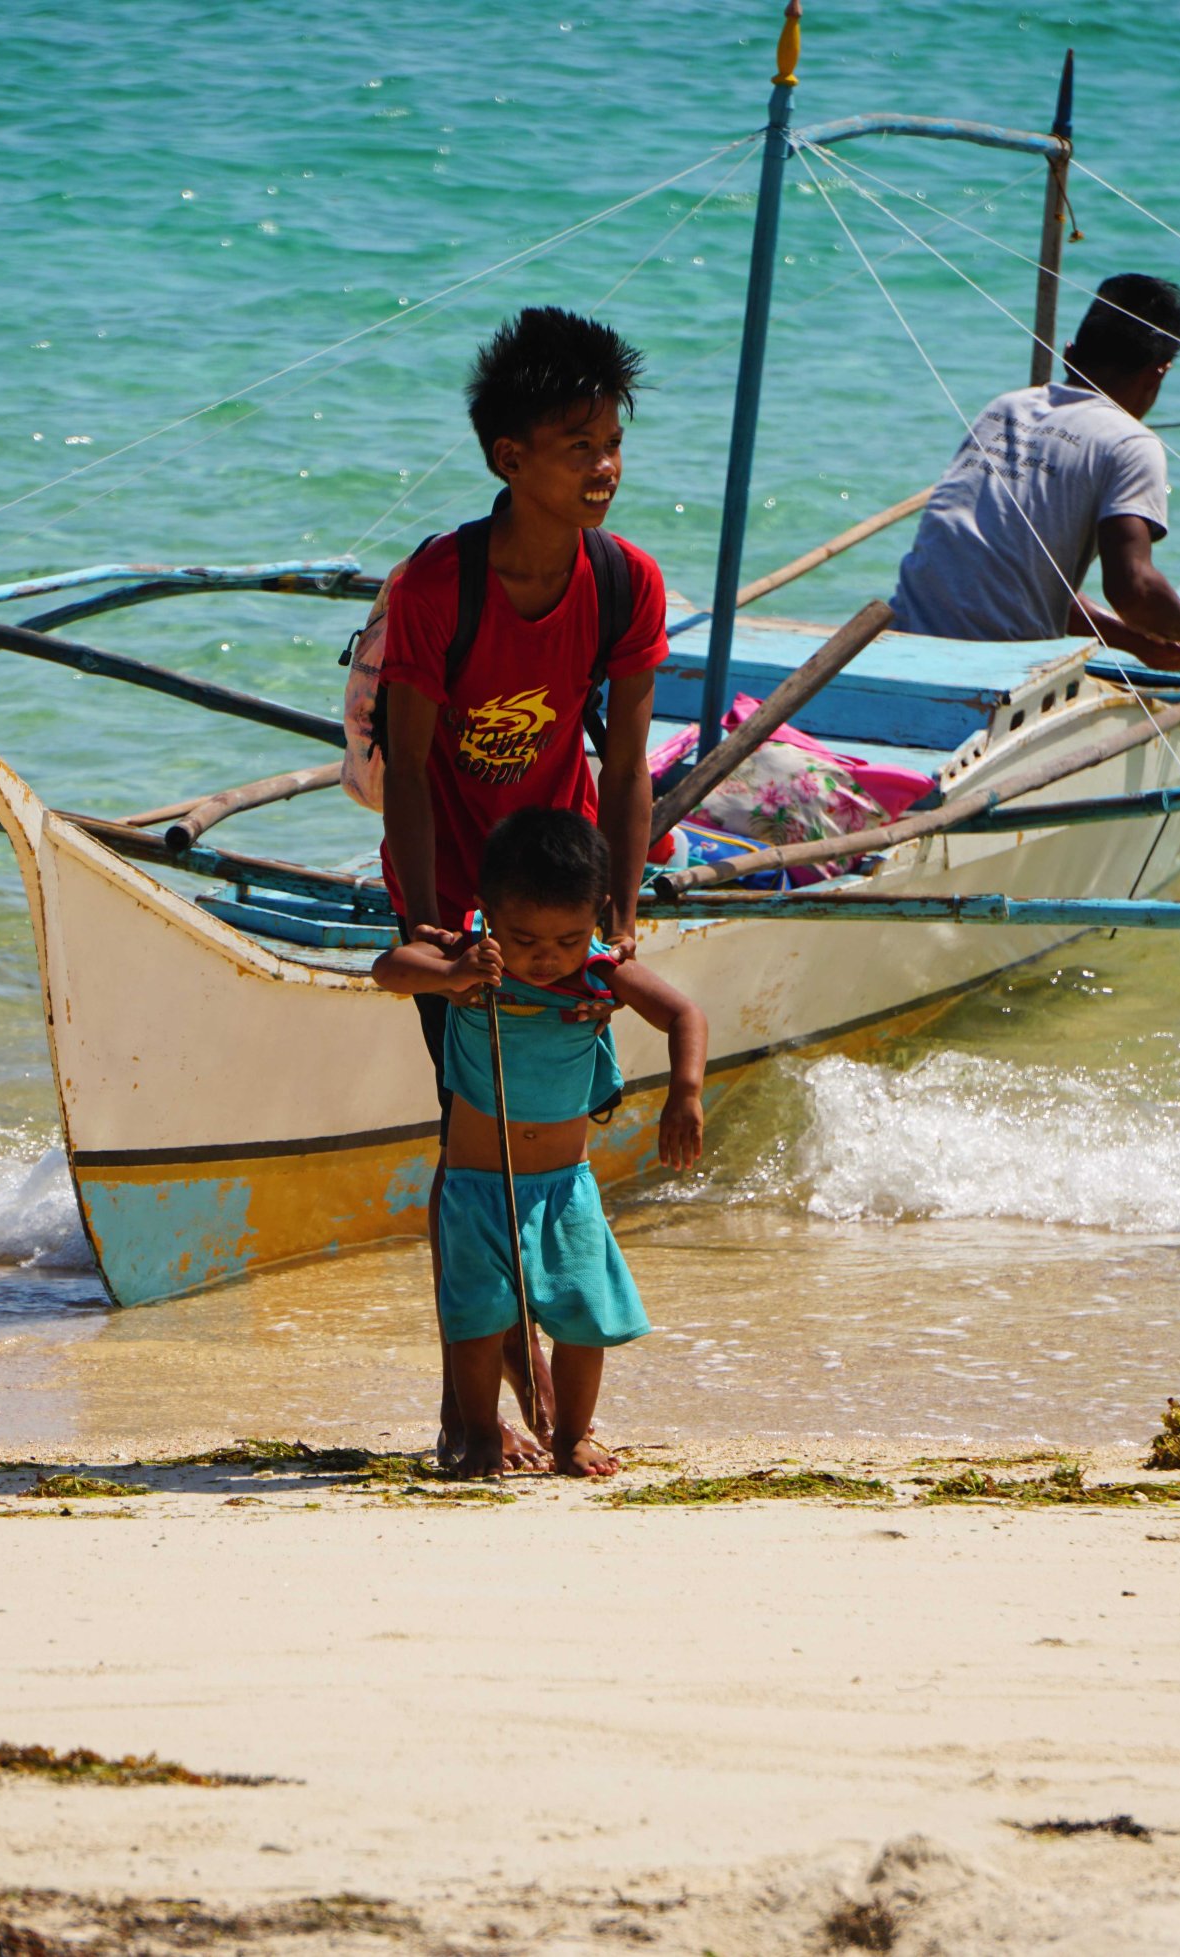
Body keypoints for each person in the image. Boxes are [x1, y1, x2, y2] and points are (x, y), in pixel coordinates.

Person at [378, 307, 669, 1468]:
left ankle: (544, 1394)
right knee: (472, 1150)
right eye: (578, 445)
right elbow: (406, 765)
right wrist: (428, 930)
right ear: (510, 457)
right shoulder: (437, 585)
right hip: (461, 901)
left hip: (565, 902)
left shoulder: (624, 581)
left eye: (613, 442)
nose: (605, 467)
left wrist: (623, 918)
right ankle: (479, 1411)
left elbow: (630, 760)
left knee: (549, 1146)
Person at [372, 809, 706, 1479]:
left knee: (582, 1320)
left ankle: (571, 1438)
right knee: (475, 1322)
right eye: (524, 938)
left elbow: (683, 1013)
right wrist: (452, 975)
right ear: (487, 911)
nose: (546, 956)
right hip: (476, 1188)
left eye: (567, 938)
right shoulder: (471, 960)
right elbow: (389, 969)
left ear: (598, 918)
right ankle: (478, 1434)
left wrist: (686, 1093)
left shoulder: (599, 972)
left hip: (564, 1190)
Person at [891, 273, 1180, 678]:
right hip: (995, 674)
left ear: (1068, 354)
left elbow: (1021, 586)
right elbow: (1135, 592)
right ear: (1157, 374)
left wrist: (1139, 644)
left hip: (903, 642)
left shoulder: (1004, 410)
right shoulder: (1130, 442)